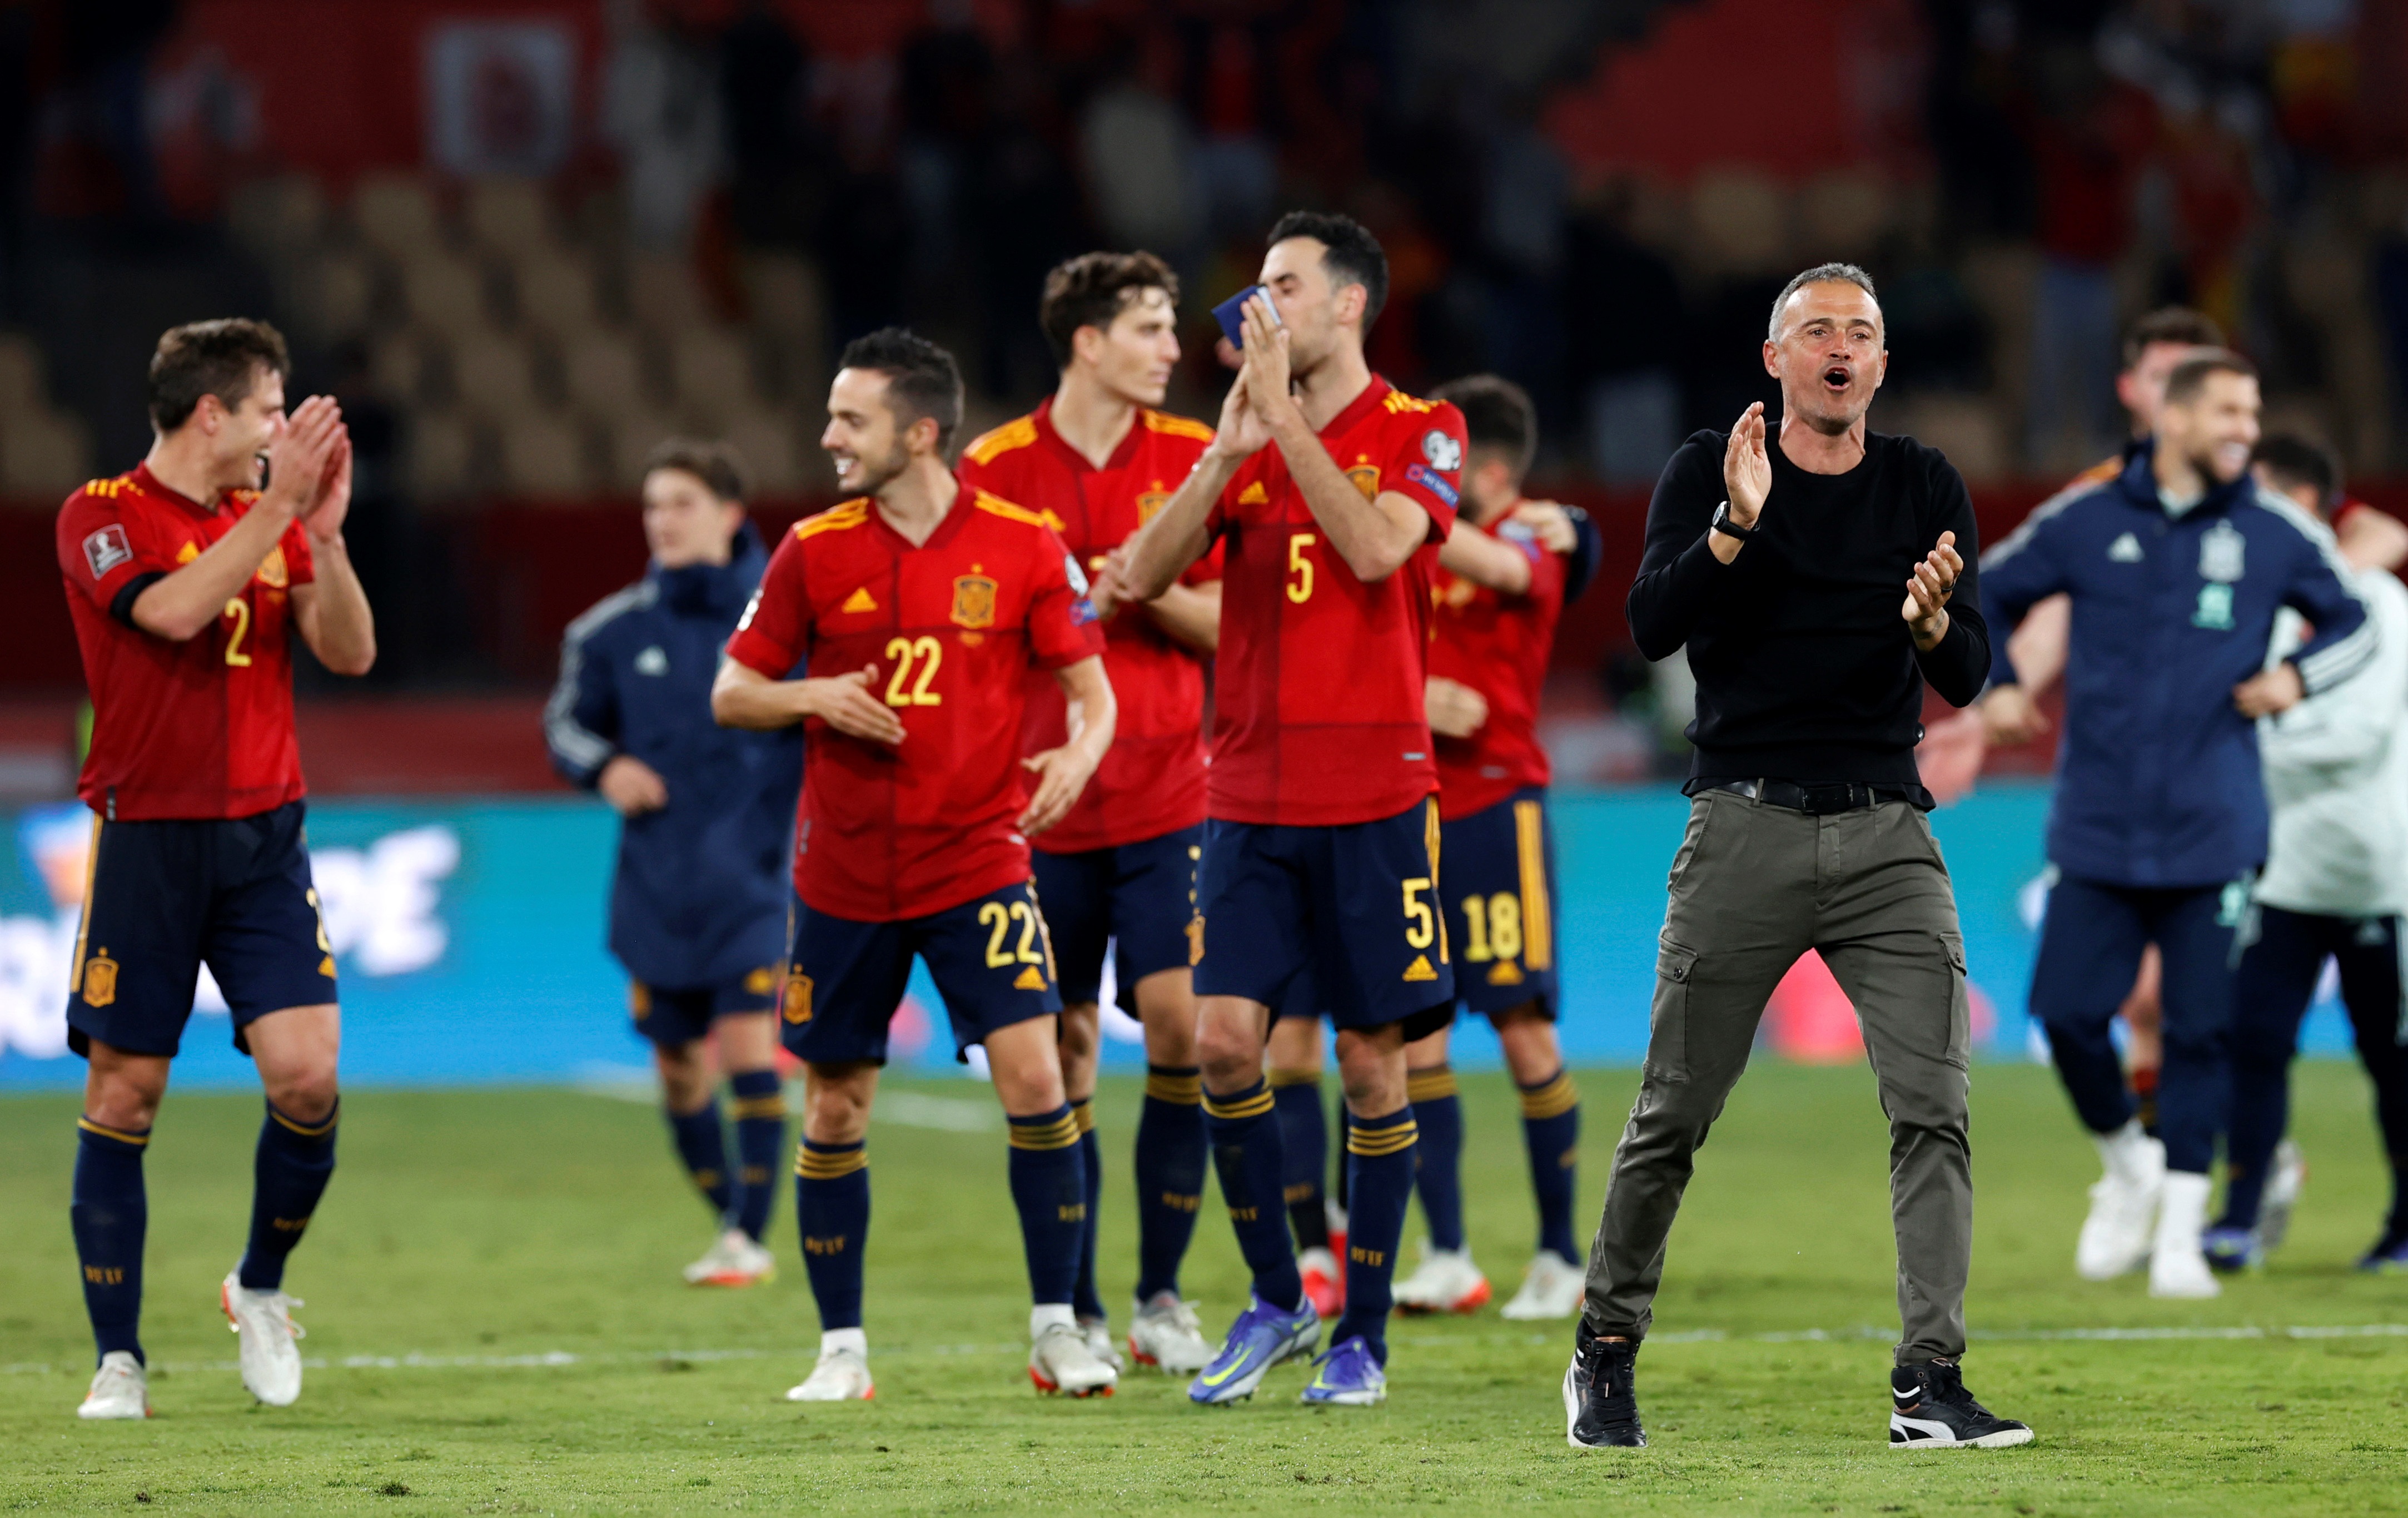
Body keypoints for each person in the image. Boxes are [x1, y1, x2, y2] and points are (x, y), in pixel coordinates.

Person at [1568, 264, 2029, 1452]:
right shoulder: (1713, 468)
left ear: (1880, 366)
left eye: (1861, 334)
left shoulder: (1925, 483)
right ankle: (1604, 1349)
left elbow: (1971, 669)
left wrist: (1934, 626)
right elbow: (1652, 624)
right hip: (1743, 824)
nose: (1840, 347)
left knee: (1935, 1108)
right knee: (1672, 1112)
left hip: (1888, 831)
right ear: (1775, 358)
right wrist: (1735, 524)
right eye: (1816, 329)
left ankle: (1929, 1379)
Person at [711, 328, 1121, 1402]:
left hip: (978, 859)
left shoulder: (1025, 545)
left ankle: (1057, 1327)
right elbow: (732, 690)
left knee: (1039, 1078)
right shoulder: (813, 547)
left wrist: (1079, 756)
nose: (829, 436)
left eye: (852, 419)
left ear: (921, 431)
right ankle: (841, 1350)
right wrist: (813, 695)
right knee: (836, 1105)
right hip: (843, 877)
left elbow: (1094, 693)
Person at [1121, 211, 1465, 1408]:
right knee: (1224, 1042)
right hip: (1249, 797)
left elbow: (1377, 553)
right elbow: (1137, 577)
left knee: (1372, 1067)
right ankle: (1278, 1299)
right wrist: (1223, 454)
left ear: (1349, 305)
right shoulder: (1243, 440)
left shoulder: (1427, 429)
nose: (1259, 307)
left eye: (1283, 286)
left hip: (1377, 799)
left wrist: (1281, 427)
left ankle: (1362, 1336)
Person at [1979, 351, 2372, 1299]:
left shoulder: (2274, 531)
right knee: (2066, 1015)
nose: (2248, 425)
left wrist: (2295, 678)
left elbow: (2352, 624)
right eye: (2232, 409)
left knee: (2201, 1033)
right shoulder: (2087, 518)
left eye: (2255, 409)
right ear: (2178, 417)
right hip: (2099, 826)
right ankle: (2129, 1165)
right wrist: (1993, 687)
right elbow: (1986, 590)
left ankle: (2182, 1239)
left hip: (2215, 829)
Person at [53, 319, 376, 1418]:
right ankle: (119, 1360)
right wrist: (283, 508)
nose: (283, 433)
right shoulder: (101, 514)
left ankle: (263, 1286)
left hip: (263, 840)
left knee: (309, 1077)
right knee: (126, 1094)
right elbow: (175, 613)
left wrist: (323, 539)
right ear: (213, 415)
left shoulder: (274, 518)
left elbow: (350, 652)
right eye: (271, 412)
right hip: (147, 836)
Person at [955, 250, 1223, 1375]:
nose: (1172, 349)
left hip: (1171, 795)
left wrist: (1148, 589)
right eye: (1153, 328)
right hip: (1038, 805)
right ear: (1088, 341)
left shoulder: (1198, 461)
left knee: (1186, 1031)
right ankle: (1066, 1316)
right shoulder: (993, 468)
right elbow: (960, 632)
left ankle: (1161, 1296)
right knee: (1059, 1053)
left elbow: (1241, 631)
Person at [1928, 309, 2227, 1123]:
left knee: (2178, 995)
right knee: (2139, 1001)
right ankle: (2185, 1169)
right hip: (2125, 785)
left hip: (2244, 783)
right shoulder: (2097, 508)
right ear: (2131, 390)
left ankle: (2218, 1167)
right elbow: (2050, 613)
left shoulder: (2261, 503)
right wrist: (1992, 708)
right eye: (2166, 377)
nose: (2181, 397)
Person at [545, 439, 802, 1289]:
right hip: (657, 882)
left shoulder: (779, 619)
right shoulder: (612, 630)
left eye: (682, 503)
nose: (663, 520)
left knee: (747, 1048)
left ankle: (746, 1233)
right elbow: (566, 725)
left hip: (756, 876)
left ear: (730, 515)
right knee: (680, 1067)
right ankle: (734, 1216)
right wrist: (603, 766)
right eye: (654, 505)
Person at [1392, 374, 1593, 1321]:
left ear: (1495, 467)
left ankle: (1560, 1254)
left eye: (1447, 458)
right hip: (1410, 809)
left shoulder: (1528, 537)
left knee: (1522, 1028)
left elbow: (1513, 578)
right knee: (1416, 1033)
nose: (1431, 472)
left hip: (1497, 807)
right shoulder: (1424, 543)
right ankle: (1448, 1252)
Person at [2207, 435, 2408, 1273]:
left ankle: (2404, 1222)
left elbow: (2357, 736)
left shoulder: (2381, 605)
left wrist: (2255, 725)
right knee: (2254, 1042)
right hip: (2282, 870)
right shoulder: (2269, 606)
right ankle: (2242, 1216)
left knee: (2390, 1055)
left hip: (2374, 875)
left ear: (2304, 504)